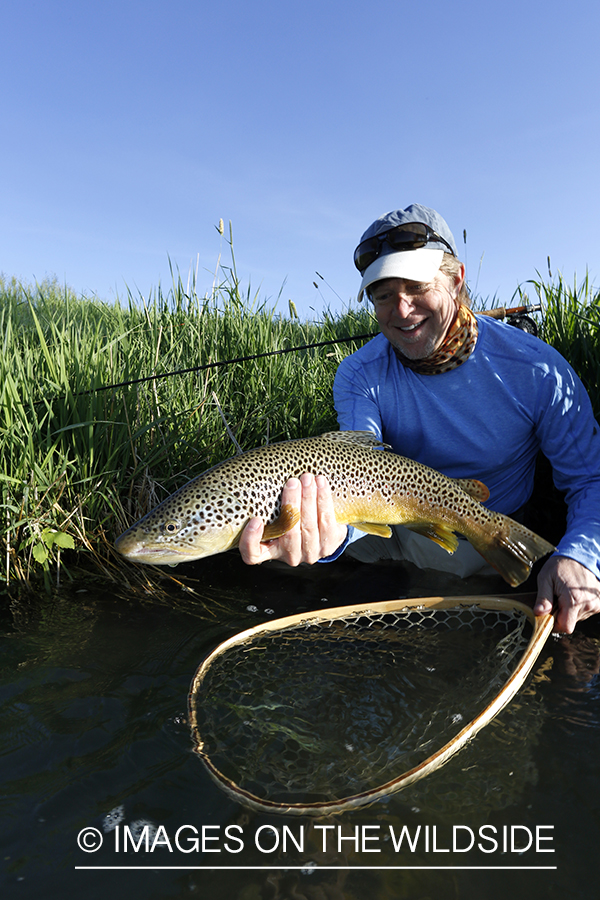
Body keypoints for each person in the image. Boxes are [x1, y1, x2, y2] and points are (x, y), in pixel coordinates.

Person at [239, 204, 600, 635]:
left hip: (492, 530)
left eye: (416, 286)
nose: (402, 309)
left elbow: (589, 479)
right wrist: (332, 539)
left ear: (457, 279)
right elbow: (353, 470)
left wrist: (579, 555)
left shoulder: (538, 369)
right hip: (395, 529)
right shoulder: (359, 374)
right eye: (383, 295)